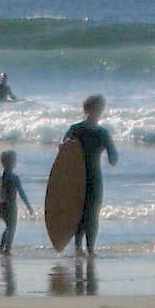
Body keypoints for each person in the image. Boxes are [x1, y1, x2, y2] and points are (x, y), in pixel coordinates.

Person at [63, 93, 118, 255]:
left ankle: (86, 247)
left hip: (85, 177)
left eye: (99, 109)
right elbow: (113, 158)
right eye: (97, 108)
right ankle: (83, 247)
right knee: (85, 213)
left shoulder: (87, 131)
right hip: (83, 177)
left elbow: (112, 157)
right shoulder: (88, 131)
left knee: (87, 212)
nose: (98, 112)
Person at [0, 148, 33, 254]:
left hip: (2, 205)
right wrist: (28, 206)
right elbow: (21, 193)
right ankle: (7, 249)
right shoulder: (14, 177)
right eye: (14, 161)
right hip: (11, 206)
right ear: (11, 163)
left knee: (8, 227)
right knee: (11, 228)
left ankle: (2, 247)